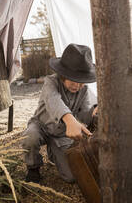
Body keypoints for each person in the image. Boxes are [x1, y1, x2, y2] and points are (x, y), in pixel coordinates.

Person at [22, 43, 97, 183]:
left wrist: (93, 111)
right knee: (30, 137)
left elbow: (84, 115)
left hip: (61, 133)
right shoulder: (50, 82)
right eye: (73, 81)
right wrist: (69, 120)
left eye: (81, 82)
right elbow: (54, 101)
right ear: (63, 74)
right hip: (41, 126)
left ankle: (54, 152)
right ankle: (33, 167)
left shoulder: (84, 91)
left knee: (72, 177)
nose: (77, 86)